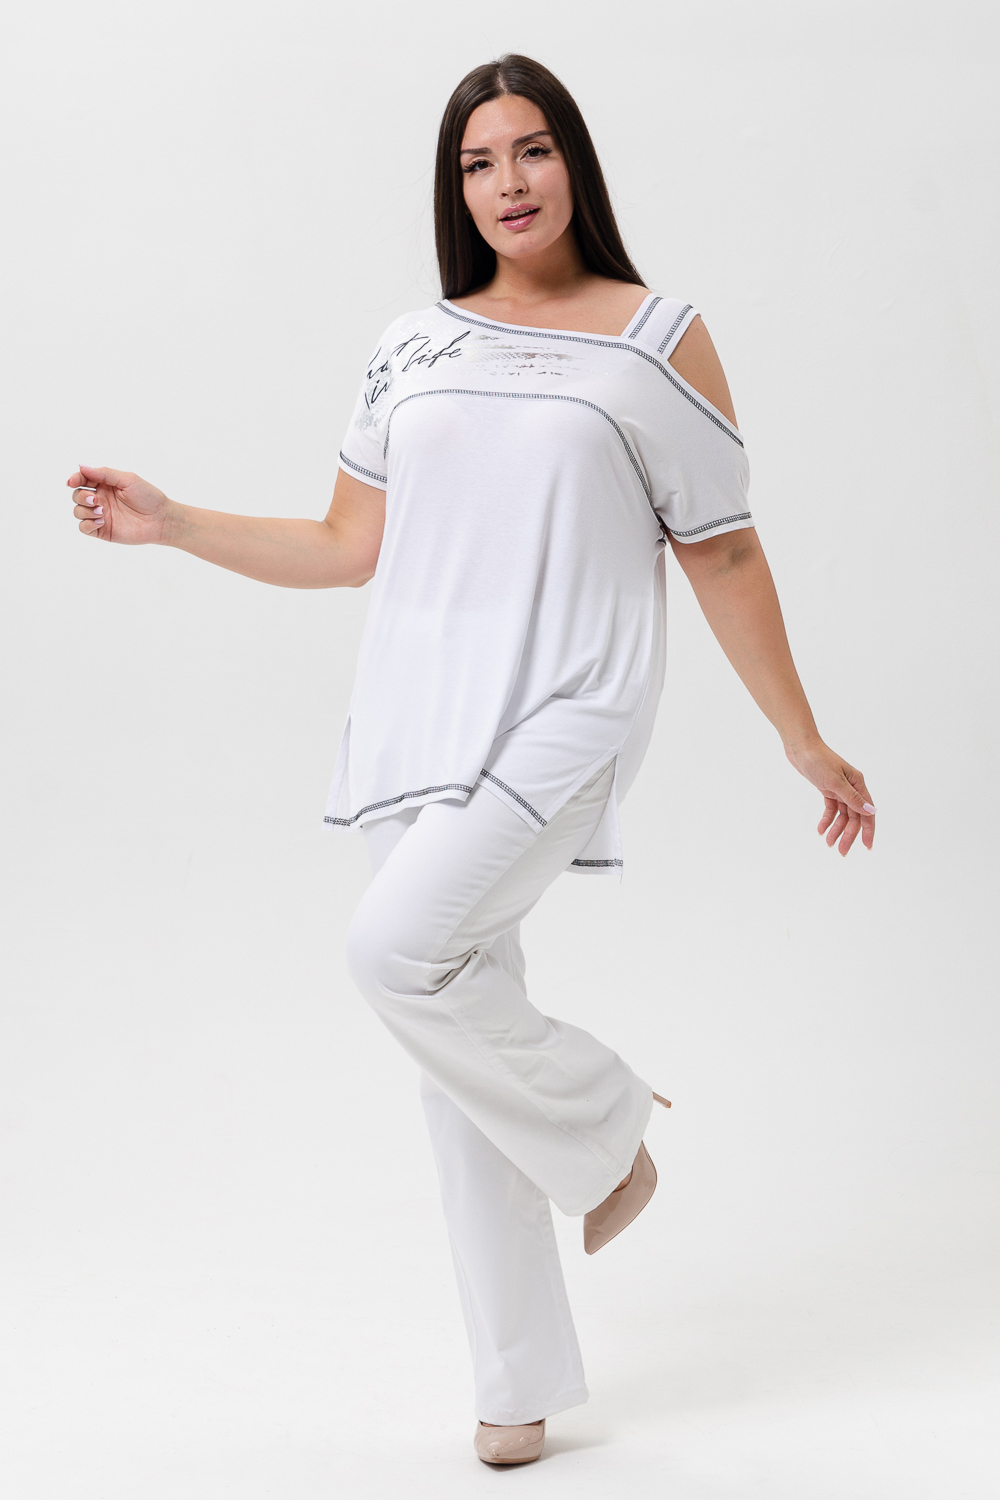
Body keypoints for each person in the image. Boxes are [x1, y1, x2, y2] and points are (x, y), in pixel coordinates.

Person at [67, 53, 876, 1469]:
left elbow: (725, 551)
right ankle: (517, 1385)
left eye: (533, 150)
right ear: (457, 189)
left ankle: (608, 1120)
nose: (509, 183)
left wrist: (801, 738)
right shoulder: (415, 344)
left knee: (396, 956)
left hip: (571, 707)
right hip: (418, 717)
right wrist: (175, 522)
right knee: (458, 1044)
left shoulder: (657, 338)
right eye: (478, 162)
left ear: (576, 164)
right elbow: (348, 547)